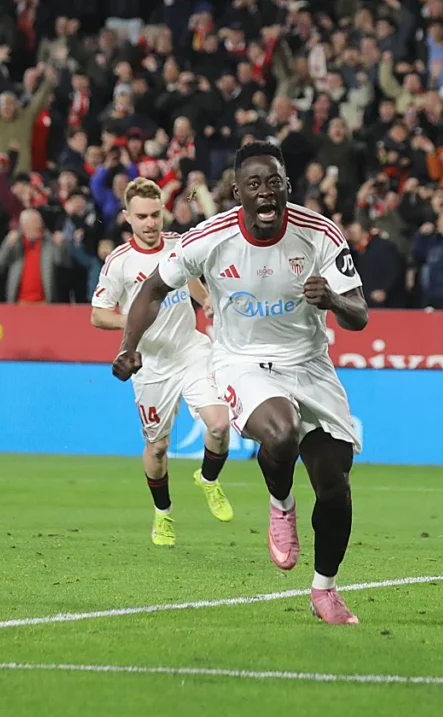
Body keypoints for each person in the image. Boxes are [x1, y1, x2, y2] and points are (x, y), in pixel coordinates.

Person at [113, 142, 368, 625]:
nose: (266, 192)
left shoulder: (319, 233)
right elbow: (152, 289)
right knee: (282, 432)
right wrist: (130, 344)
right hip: (242, 362)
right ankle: (281, 503)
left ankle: (325, 591)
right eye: (254, 184)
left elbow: (360, 315)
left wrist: (333, 300)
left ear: (287, 187)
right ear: (237, 192)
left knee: (335, 485)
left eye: (274, 182)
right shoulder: (210, 238)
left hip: (311, 364)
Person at [91, 177, 232, 547]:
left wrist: (205, 298)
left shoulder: (178, 245)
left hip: (190, 350)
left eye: (155, 214)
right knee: (157, 448)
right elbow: (98, 314)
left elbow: (190, 279)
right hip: (151, 365)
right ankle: (163, 513)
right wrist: (133, 321)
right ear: (127, 217)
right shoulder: (120, 262)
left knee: (220, 425)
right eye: (142, 216)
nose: (151, 223)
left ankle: (209, 479)